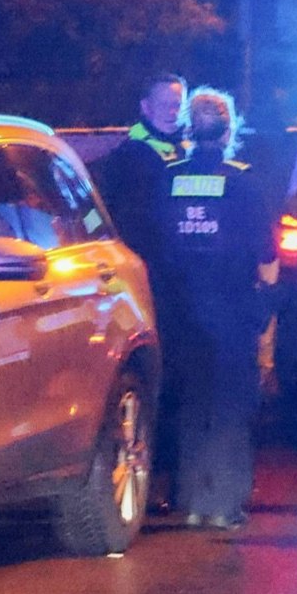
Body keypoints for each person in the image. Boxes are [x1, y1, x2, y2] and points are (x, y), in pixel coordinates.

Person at [161, 88, 277, 529]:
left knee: (192, 405)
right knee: (229, 407)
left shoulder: (169, 177)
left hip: (181, 309)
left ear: (189, 130)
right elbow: (266, 255)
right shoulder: (243, 181)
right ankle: (225, 503)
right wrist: (266, 320)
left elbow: (159, 239)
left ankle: (191, 499)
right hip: (230, 310)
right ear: (229, 132)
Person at [94, 73, 190, 506]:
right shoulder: (132, 158)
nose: (174, 110)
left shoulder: (181, 152)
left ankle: (165, 478)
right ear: (145, 107)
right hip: (147, 285)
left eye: (179, 103)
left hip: (173, 285)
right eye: (166, 102)